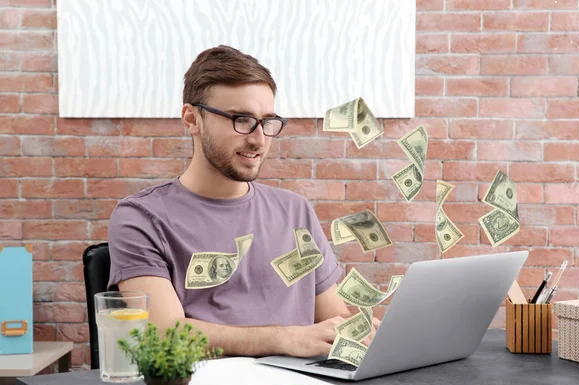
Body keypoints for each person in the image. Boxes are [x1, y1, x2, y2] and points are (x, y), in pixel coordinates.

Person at [107, 45, 380, 358]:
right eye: (241, 119)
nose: (259, 139)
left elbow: (333, 318)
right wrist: (283, 339)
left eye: (267, 121)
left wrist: (357, 328)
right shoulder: (141, 217)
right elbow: (167, 331)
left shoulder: (295, 211)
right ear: (192, 119)